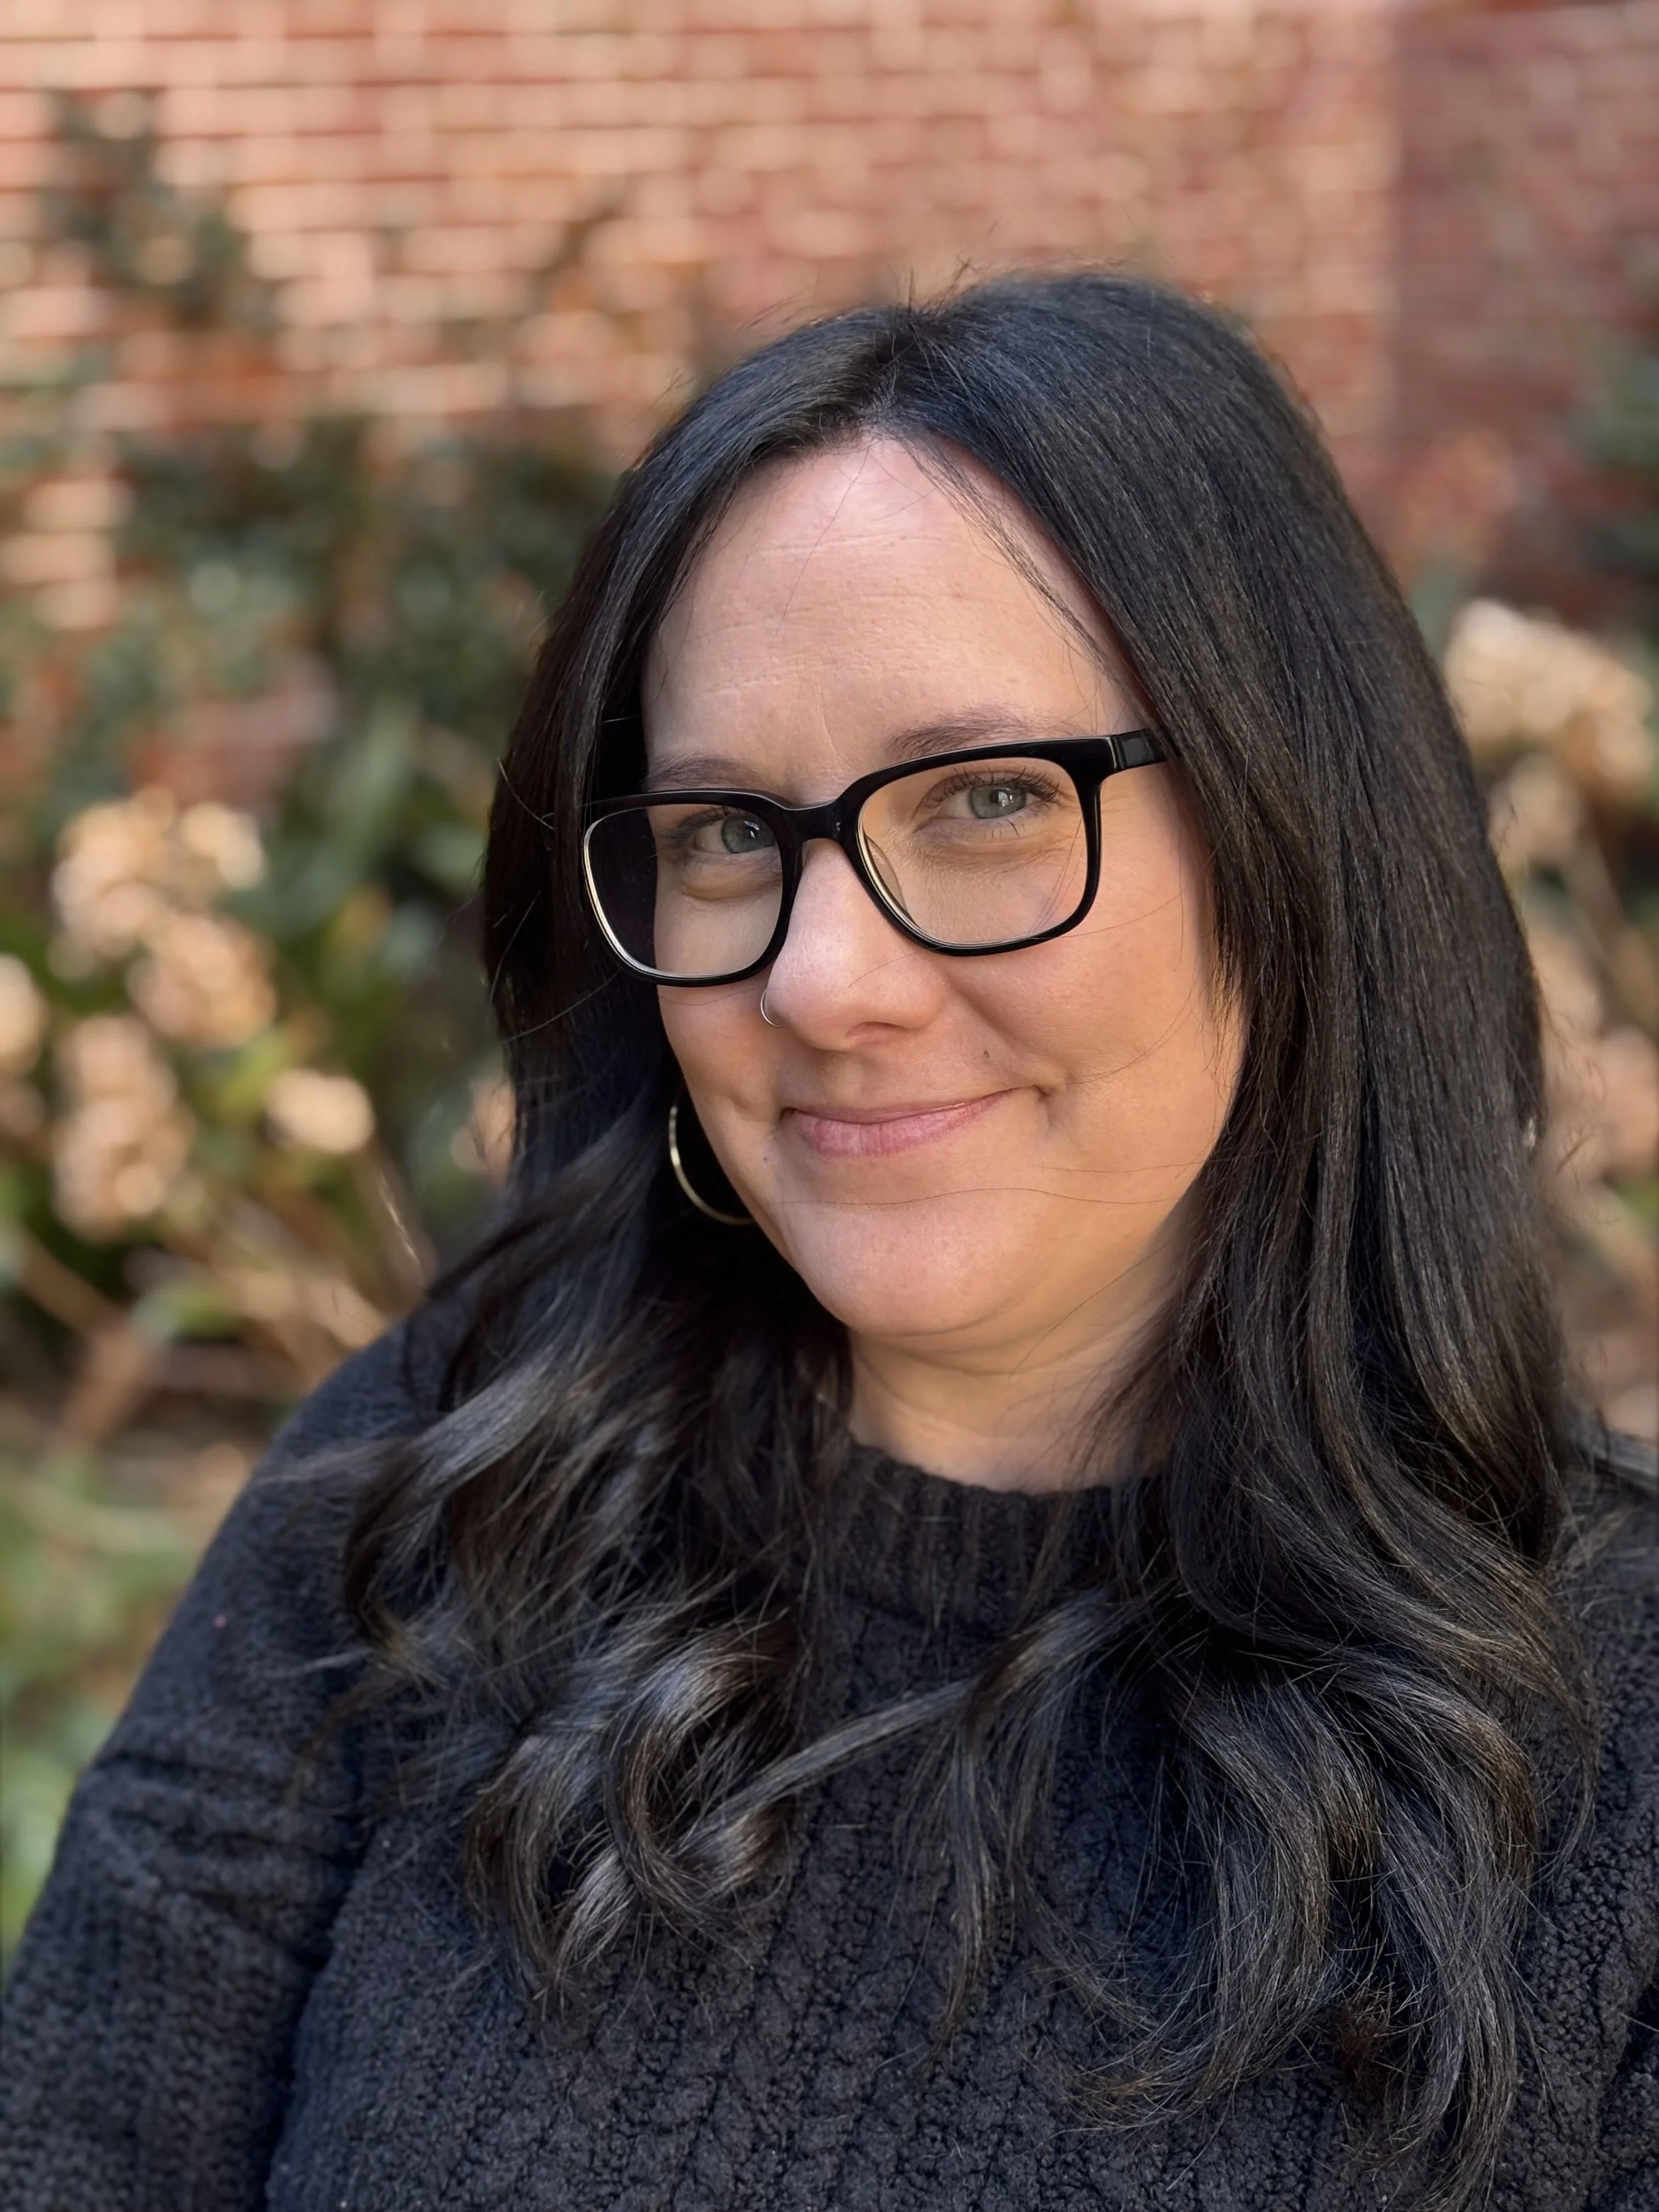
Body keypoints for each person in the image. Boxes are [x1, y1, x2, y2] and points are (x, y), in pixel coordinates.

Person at [3, 274, 1654, 2212]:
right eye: (723, 831)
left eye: (986, 800)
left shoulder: (1617, 1736)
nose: (821, 980)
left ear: (1298, 839)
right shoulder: (427, 1499)